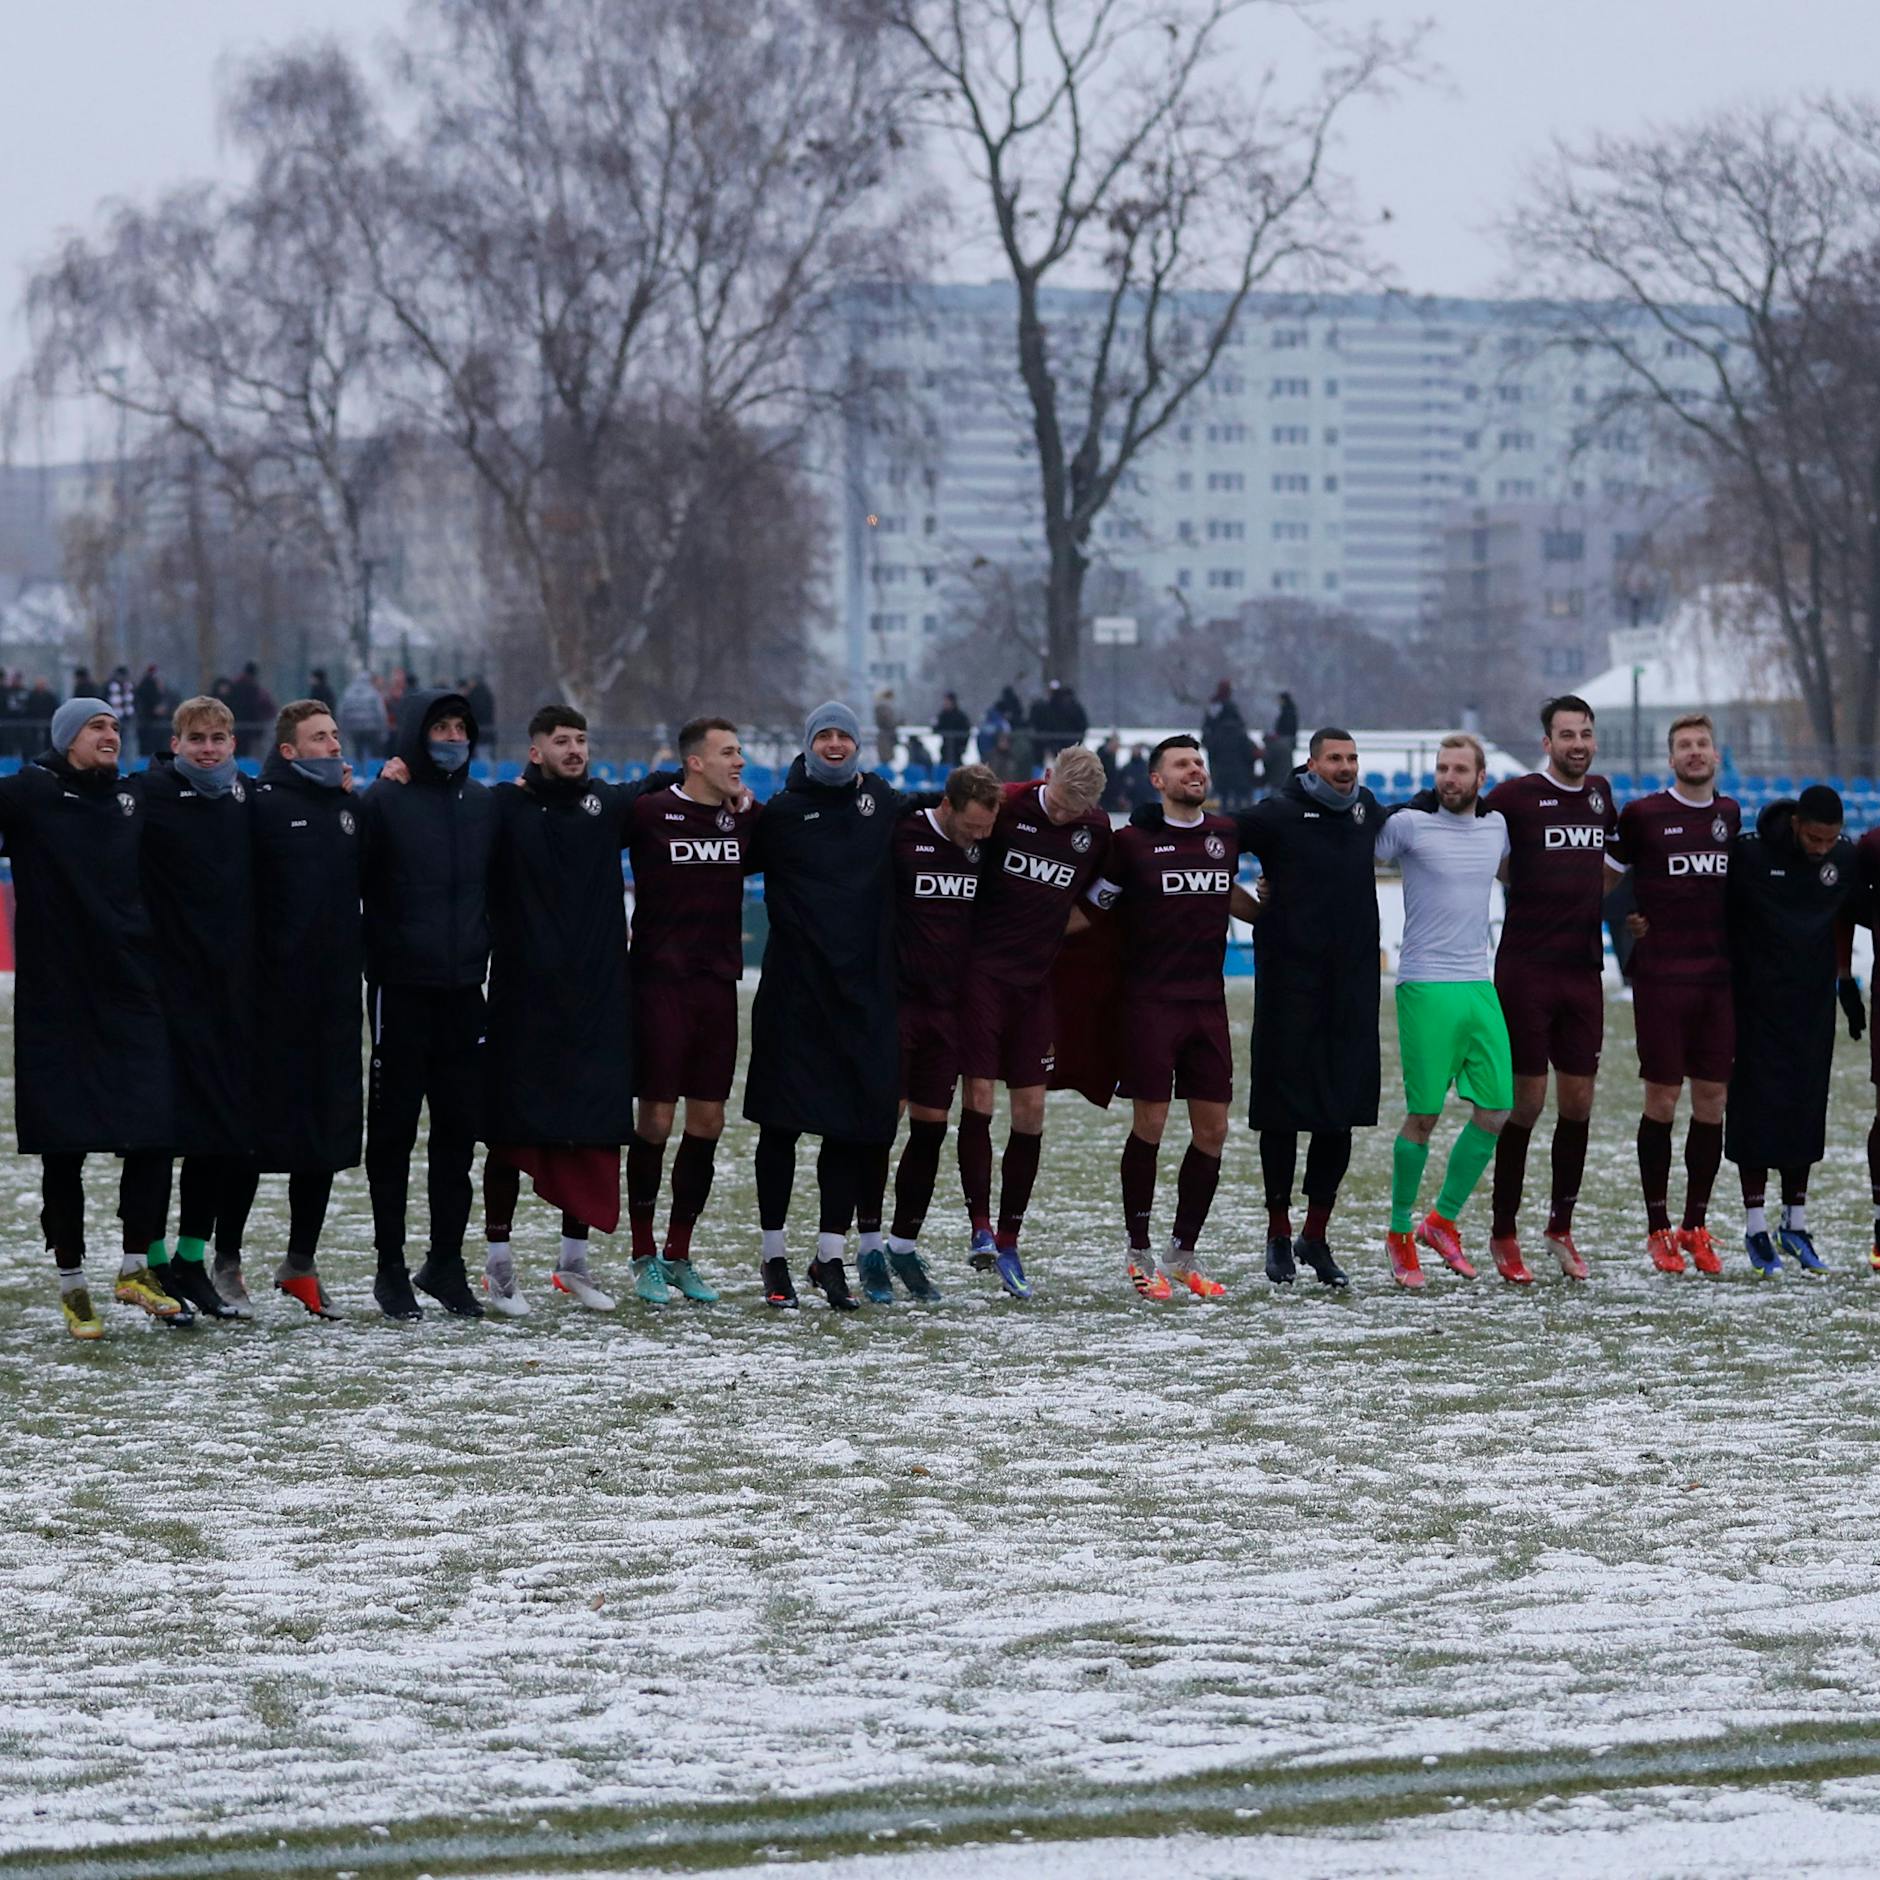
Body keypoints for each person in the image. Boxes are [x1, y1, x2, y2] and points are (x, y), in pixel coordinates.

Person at [478, 706, 673, 1314]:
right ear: (534, 751)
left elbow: (671, 782)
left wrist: (737, 792)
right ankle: (498, 1265)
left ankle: (574, 1264)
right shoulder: (502, 807)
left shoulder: (606, 805)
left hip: (597, 997)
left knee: (591, 1133)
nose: (574, 749)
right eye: (561, 741)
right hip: (522, 997)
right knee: (511, 1135)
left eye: (582, 740)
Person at [0, 699, 178, 1336]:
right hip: (57, 998)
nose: (111, 734)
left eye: (115, 726)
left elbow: (213, 794)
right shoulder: (27, 793)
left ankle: (135, 1267)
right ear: (66, 739)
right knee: (63, 1145)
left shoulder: (134, 798)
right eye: (97, 726)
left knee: (156, 1130)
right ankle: (73, 1285)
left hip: (132, 988)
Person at [744, 702, 912, 1310]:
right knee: (781, 1127)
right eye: (825, 735)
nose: (835, 744)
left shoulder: (884, 804)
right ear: (808, 745)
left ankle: (831, 1257)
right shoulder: (781, 814)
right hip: (794, 993)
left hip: (863, 994)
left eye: (845, 734)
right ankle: (773, 1257)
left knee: (849, 1129)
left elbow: (953, 810)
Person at [1088, 736, 1254, 1299]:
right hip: (1149, 1005)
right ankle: (1138, 1254)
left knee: (1213, 1129)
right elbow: (1096, 907)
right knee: (1151, 1125)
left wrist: (1273, 913)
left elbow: (1228, 894)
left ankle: (1182, 1255)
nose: (1195, 771)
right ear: (1157, 780)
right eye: (1182, 764)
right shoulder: (1131, 843)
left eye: (1199, 763)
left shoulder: (1225, 836)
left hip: (1207, 1005)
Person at [357, 688, 495, 1320]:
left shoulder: (484, 804)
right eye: (439, 727)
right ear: (416, 732)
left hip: (466, 993)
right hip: (399, 993)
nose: (452, 737)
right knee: (392, 1136)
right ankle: (390, 1266)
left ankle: (445, 1263)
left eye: (460, 727)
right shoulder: (383, 801)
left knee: (458, 1138)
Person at [955, 743, 1111, 1297]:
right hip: (979, 979)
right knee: (979, 1097)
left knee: (1032, 1109)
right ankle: (978, 1227)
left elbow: (1100, 900)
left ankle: (1010, 1237)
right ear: (1047, 777)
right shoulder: (1007, 804)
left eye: (1080, 810)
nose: (1069, 816)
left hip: (1035, 984)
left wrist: (1044, 934)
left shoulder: (1096, 831)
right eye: (1064, 802)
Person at [1231, 728, 1384, 1288]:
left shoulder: (1366, 809)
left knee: (1339, 1110)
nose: (1345, 768)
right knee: (1282, 1111)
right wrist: (1251, 909)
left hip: (1353, 984)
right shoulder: (1277, 813)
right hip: (1289, 986)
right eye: (1334, 759)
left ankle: (1315, 1235)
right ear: (1312, 764)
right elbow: (1210, 841)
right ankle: (1278, 1233)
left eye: (1351, 758)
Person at [623, 716, 759, 1305]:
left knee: (708, 1121)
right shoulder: (650, 814)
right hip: (659, 985)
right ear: (695, 762)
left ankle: (679, 1253)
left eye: (741, 753)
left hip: (717, 987)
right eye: (728, 753)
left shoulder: (745, 819)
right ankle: (642, 1254)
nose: (739, 762)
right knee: (655, 1119)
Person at [1481, 696, 1617, 1284]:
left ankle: (1560, 1228)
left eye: (1585, 733)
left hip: (1584, 969)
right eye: (1567, 734)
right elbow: (1480, 847)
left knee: (1579, 1101)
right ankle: (1503, 1231)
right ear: (1547, 743)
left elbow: (1611, 867)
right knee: (1527, 1102)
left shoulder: (1601, 795)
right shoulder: (1514, 797)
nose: (1578, 743)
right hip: (1526, 970)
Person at [131, 695, 258, 1323]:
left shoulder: (247, 799)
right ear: (175, 744)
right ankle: (150, 1259)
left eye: (218, 738)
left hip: (231, 998)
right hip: (164, 995)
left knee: (218, 1135)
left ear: (234, 744)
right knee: (159, 1135)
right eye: (196, 739)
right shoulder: (146, 795)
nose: (208, 749)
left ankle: (190, 1257)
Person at [1373, 733, 1514, 1288]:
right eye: (1442, 769)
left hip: (1478, 983)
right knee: (1424, 1116)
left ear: (1481, 778)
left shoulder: (1496, 829)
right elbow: (1351, 846)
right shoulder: (1409, 825)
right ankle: (1398, 1231)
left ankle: (1442, 1220)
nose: (1449, 778)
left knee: (1497, 1110)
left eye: (1460, 769)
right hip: (1425, 985)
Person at [1604, 714, 1740, 1276]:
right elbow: (1606, 882)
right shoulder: (1642, 815)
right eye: (1684, 745)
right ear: (1671, 757)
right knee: (1661, 1101)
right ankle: (1658, 1228)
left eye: (1702, 744)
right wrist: (1626, 932)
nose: (1694, 753)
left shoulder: (1729, 815)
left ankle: (1696, 1224)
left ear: (1715, 754)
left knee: (1712, 1101)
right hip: (1661, 980)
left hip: (1717, 982)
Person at [863, 762, 1003, 1303]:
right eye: (971, 828)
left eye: (986, 830)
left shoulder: (981, 842)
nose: (978, 839)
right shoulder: (902, 832)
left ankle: (903, 1245)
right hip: (898, 1005)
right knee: (881, 1127)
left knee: (931, 1129)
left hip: (950, 1009)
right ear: (946, 807)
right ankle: (869, 1247)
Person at [245, 699, 365, 1317]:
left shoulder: (349, 808)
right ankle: (223, 1262)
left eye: (336, 736)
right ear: (290, 750)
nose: (333, 745)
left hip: (337, 1001)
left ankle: (300, 1263)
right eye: (320, 738)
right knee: (248, 1136)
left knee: (325, 1137)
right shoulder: (260, 806)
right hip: (271, 1004)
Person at [1722, 785, 1866, 1275]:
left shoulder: (1843, 862)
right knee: (1755, 1109)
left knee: (1805, 1107)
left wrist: (1845, 983)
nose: (1822, 848)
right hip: (1755, 1005)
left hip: (1812, 1006)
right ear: (1797, 824)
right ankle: (1755, 1225)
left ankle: (1795, 1223)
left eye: (1831, 840)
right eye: (1814, 838)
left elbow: (1855, 911)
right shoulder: (1751, 853)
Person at [1202, 681, 1254, 809]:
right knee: (1237, 800)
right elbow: (1248, 752)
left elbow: (1206, 728)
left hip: (1220, 764)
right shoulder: (1239, 732)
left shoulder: (1214, 706)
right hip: (1238, 770)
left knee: (1223, 798)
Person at [341, 668, 385, 761]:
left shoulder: (348, 692)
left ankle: (359, 771)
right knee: (374, 752)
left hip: (354, 728)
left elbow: (342, 711)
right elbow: (380, 711)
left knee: (358, 751)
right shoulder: (373, 692)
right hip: (371, 728)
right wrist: (382, 729)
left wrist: (344, 729)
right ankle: (373, 771)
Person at [1268, 690, 1300, 782]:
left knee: (1284, 765)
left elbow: (1287, 727)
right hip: (1287, 740)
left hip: (1285, 740)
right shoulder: (1290, 710)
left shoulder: (1287, 712)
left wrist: (1279, 735)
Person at [934, 692, 971, 766]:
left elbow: (966, 731)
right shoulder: (943, 715)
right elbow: (937, 728)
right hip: (945, 748)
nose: (945, 703)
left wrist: (962, 746)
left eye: (947, 701)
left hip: (957, 749)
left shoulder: (960, 716)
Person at [874, 689, 899, 769]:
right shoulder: (883, 707)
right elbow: (887, 722)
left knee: (886, 758)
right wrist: (896, 723)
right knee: (886, 758)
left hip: (886, 736)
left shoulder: (882, 707)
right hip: (886, 736)